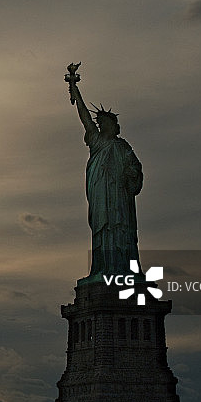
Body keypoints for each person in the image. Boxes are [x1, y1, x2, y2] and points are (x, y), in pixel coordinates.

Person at [69, 77, 143, 276]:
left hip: (119, 195)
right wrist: (74, 90)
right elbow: (84, 117)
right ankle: (104, 269)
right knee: (103, 230)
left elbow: (135, 167)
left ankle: (126, 271)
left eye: (105, 123)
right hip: (101, 193)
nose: (102, 126)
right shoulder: (96, 141)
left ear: (114, 125)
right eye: (100, 123)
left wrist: (131, 175)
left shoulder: (122, 147)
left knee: (122, 230)